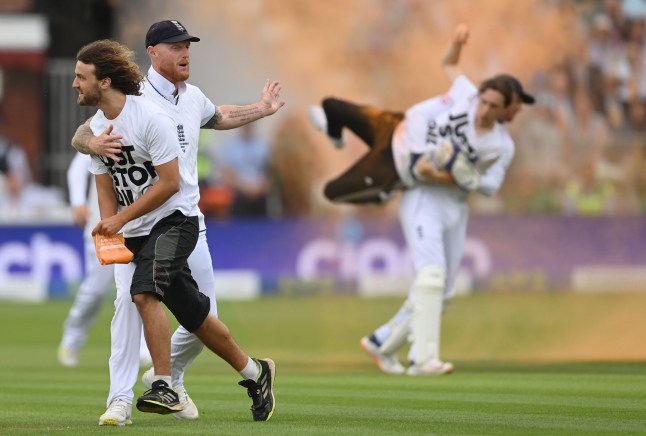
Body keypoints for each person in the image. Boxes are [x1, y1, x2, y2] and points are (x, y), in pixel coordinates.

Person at [72, 35, 280, 427]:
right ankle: (125, 399)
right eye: (176, 45)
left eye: (188, 45)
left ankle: (171, 382)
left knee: (196, 315)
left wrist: (262, 109)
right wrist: (110, 227)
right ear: (153, 52)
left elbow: (219, 117)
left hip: (179, 218)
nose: (186, 52)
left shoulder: (188, 97)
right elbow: (86, 138)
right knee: (131, 302)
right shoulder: (133, 100)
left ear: (103, 80)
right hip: (134, 226)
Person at [309, 24, 533, 375]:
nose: (483, 109)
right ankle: (423, 359)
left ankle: (383, 342)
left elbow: (487, 187)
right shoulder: (466, 95)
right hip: (416, 186)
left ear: (506, 111)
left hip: (453, 203)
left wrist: (454, 174)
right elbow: (449, 66)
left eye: (493, 107)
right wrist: (455, 45)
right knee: (430, 276)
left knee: (441, 293)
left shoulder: (500, 145)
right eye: (484, 101)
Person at [58, 152, 151, 368]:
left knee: (138, 287)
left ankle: (142, 347)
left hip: (135, 228)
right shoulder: (102, 129)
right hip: (102, 228)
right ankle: (72, 338)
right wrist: (78, 202)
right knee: (95, 291)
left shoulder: (144, 126)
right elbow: (77, 167)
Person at [217, 122, 273, 217]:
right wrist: (244, 188)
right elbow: (226, 172)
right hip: (239, 193)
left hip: (260, 193)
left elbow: (270, 171)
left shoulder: (263, 146)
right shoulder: (231, 147)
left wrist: (261, 188)